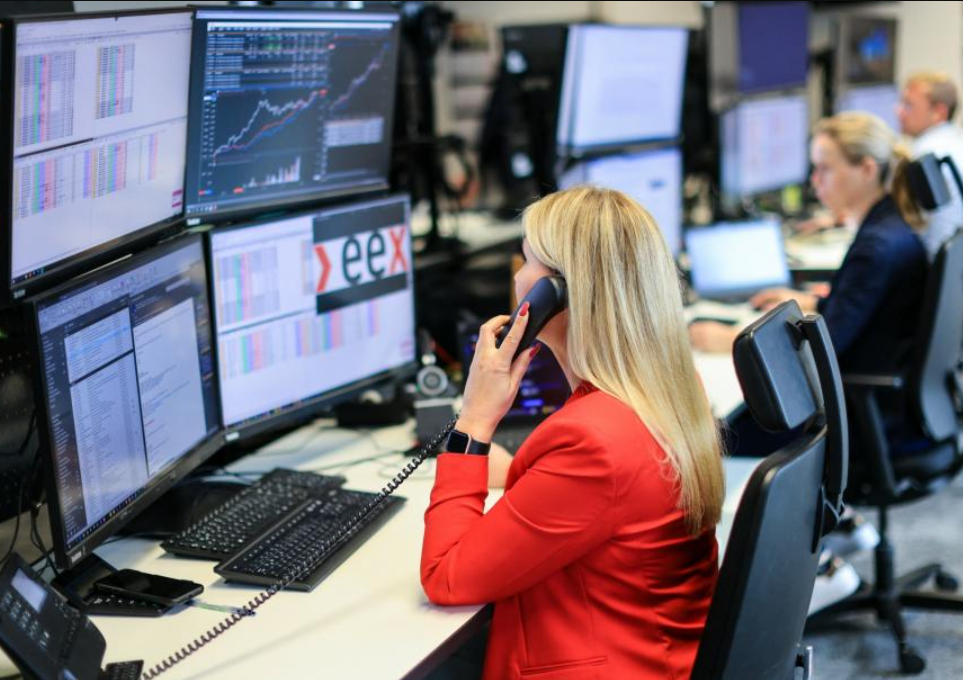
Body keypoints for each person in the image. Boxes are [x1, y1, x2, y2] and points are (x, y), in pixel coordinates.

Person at [421, 186, 725, 680]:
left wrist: (474, 421)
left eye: (526, 260)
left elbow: (444, 578)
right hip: (662, 654)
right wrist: (520, 473)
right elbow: (595, 504)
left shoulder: (592, 442)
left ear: (557, 295)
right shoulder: (670, 389)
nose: (516, 277)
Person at [690, 113, 928, 383]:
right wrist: (808, 301)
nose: (815, 180)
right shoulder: (891, 224)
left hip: (855, 393)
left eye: (824, 169)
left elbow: (821, 353)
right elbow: (857, 309)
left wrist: (730, 340)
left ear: (867, 170)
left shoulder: (876, 248)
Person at [898, 72, 963, 258]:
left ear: (939, 112)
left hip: (933, 262)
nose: (899, 112)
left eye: (909, 105)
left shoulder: (923, 153)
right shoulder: (956, 141)